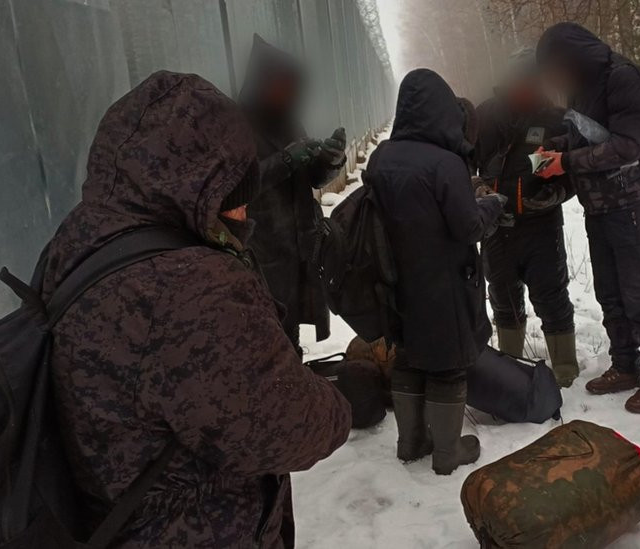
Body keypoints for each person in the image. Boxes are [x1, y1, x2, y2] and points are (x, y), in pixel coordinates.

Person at [45, 71, 351, 547]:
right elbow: (283, 423)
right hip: (194, 527)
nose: (245, 216)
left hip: (108, 509)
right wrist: (337, 406)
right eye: (237, 199)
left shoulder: (76, 242)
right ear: (205, 189)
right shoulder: (192, 287)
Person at [365, 69, 507, 475]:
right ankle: (448, 452)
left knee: (409, 357)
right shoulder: (445, 163)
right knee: (448, 366)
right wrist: (492, 205)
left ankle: (410, 443)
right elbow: (468, 227)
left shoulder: (381, 157)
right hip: (443, 283)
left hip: (395, 281)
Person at [535, 23, 640, 413]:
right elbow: (585, 136)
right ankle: (625, 366)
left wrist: (565, 162)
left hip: (635, 204)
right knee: (610, 294)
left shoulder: (624, 79)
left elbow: (628, 146)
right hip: (599, 207)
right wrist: (552, 150)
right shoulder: (581, 87)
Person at [472, 46, 579, 387]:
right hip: (495, 227)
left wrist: (557, 193)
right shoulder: (484, 116)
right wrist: (477, 188)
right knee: (503, 298)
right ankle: (512, 368)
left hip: (542, 226)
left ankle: (565, 371)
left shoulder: (557, 119)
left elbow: (573, 170)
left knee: (552, 296)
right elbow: (462, 163)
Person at [239, 35, 348, 354]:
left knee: (291, 330)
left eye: (290, 87)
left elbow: (311, 179)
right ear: (261, 82)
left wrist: (330, 160)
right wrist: (285, 159)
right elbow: (237, 186)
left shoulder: (289, 123)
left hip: (298, 247)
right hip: (263, 249)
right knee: (269, 333)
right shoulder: (238, 126)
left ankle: (292, 371)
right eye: (280, 85)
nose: (286, 93)